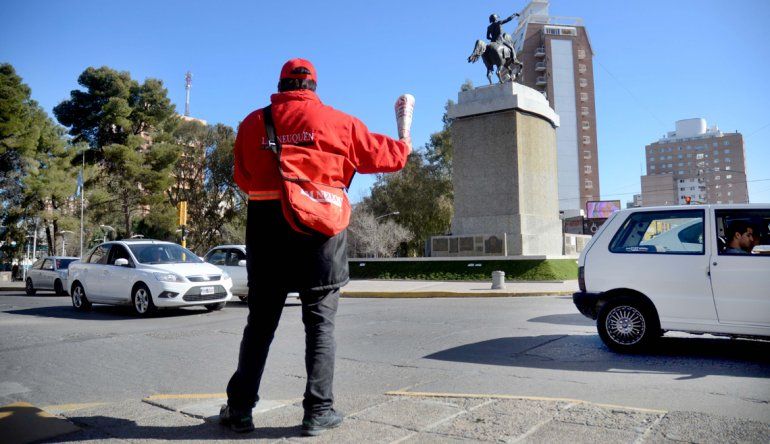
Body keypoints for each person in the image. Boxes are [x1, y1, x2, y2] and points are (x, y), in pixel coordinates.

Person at [221, 58, 411, 435]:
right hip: (321, 227)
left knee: (259, 325)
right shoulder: (339, 122)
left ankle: (241, 409)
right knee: (320, 324)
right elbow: (389, 158)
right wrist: (404, 142)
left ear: (281, 84)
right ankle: (317, 412)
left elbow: (241, 176)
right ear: (313, 87)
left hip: (266, 227)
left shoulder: (251, 124)